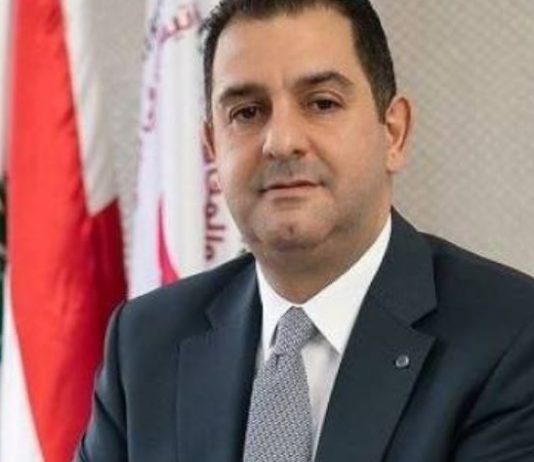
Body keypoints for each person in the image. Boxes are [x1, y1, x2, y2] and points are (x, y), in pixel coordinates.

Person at [76, 1, 534, 461]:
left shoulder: (512, 336)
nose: (282, 142)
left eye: (322, 103)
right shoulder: (144, 344)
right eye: (247, 112)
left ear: (393, 133)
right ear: (213, 149)